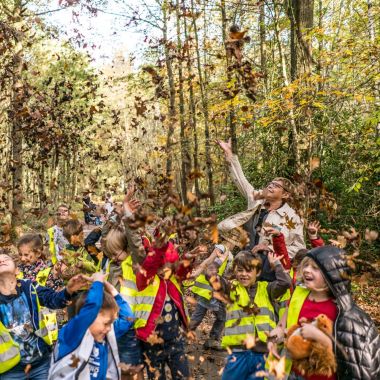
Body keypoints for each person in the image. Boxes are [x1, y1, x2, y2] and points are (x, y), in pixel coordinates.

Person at [268, 246, 380, 380]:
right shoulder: (297, 296)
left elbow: (349, 354)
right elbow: (281, 326)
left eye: (315, 268)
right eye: (306, 265)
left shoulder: (341, 310)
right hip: (294, 373)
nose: (307, 270)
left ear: (332, 275)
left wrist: (319, 336)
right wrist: (275, 337)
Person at [0, 252, 87, 379]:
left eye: (5, 258)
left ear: (17, 270)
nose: (1, 261)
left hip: (40, 361)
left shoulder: (29, 287)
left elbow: (52, 299)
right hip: (10, 368)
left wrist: (68, 290)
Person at [217, 139, 305, 259]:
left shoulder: (292, 217)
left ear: (285, 195)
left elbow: (299, 248)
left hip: (271, 264)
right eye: (270, 183)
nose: (270, 186)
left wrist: (270, 248)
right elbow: (241, 180)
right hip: (248, 258)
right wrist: (230, 154)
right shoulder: (257, 200)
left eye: (276, 186)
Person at [48, 272, 134, 379]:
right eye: (106, 323)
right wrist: (97, 282)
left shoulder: (105, 335)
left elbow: (128, 318)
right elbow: (92, 307)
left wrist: (110, 288)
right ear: (90, 316)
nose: (109, 328)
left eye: (110, 323)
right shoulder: (72, 334)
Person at [220, 250, 291, 380]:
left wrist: (276, 265)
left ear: (257, 272)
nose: (244, 274)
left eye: (249, 271)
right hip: (238, 354)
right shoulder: (231, 287)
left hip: (263, 354)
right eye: (240, 270)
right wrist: (220, 261)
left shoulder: (267, 288)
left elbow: (285, 283)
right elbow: (212, 278)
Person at [189, 244, 230, 350]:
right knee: (222, 317)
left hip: (210, 289)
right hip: (209, 289)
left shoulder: (226, 250)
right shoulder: (222, 247)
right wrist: (196, 273)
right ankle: (212, 340)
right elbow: (208, 261)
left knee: (199, 314)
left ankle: (183, 335)